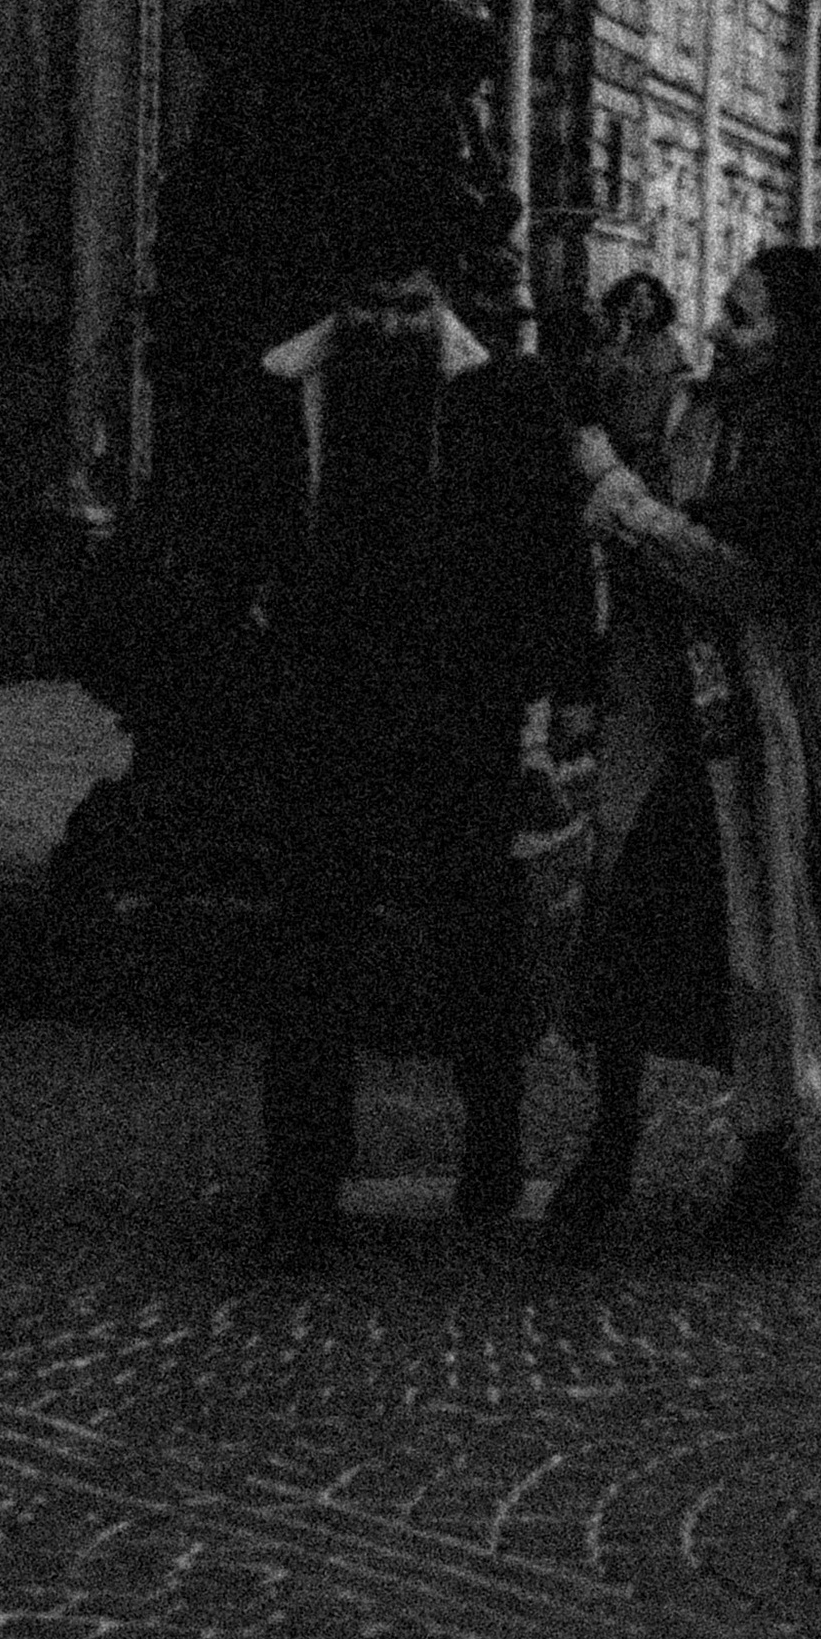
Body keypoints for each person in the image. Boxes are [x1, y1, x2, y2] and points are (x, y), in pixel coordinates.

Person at [245, 203, 597, 1260]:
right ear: (337, 306)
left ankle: (491, 1144)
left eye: (412, 305)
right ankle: (303, 1173)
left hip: (457, 703)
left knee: (472, 937)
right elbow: (246, 519)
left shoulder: (503, 391)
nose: (391, 326)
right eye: (370, 305)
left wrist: (568, 683)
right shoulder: (285, 387)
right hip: (325, 701)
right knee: (313, 939)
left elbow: (553, 545)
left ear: (442, 302)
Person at [550, 246, 821, 1251]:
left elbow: (738, 577)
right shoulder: (687, 414)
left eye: (743, 317)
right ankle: (609, 1143)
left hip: (746, 731)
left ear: (794, 337)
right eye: (723, 310)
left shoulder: (811, 450)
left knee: (756, 939)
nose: (716, 330)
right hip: (655, 719)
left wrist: (617, 496)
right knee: (617, 933)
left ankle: (765, 1149)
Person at [591, 271, 692, 483]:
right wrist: (619, 339)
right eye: (633, 296)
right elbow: (601, 386)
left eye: (647, 296)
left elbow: (678, 385)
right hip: (615, 441)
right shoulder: (613, 342)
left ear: (657, 303)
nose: (640, 302)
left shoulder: (666, 342)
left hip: (652, 444)